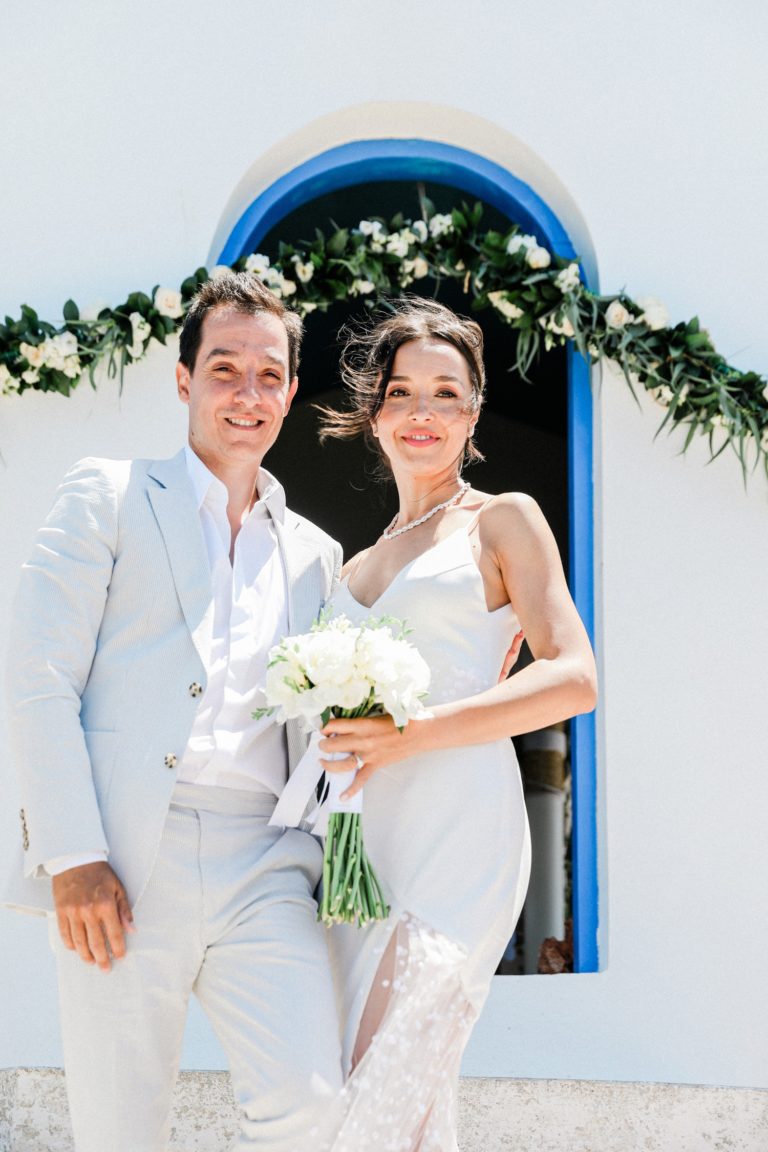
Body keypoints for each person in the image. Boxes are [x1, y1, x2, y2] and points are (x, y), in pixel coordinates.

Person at [4, 271, 344, 1152]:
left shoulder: (315, 554)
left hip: (268, 864)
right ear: (185, 378)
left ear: (293, 392)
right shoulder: (108, 495)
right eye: (225, 368)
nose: (249, 393)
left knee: (313, 1106)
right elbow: (39, 678)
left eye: (270, 375)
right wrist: (72, 854)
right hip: (121, 858)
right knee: (121, 1131)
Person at [314, 297, 598, 1150]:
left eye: (446, 393)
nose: (423, 412)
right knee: (403, 1106)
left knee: (381, 1087)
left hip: (457, 834)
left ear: (474, 412)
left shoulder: (502, 518)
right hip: (357, 845)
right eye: (402, 393)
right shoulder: (353, 561)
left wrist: (416, 730)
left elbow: (574, 677)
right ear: (376, 413)